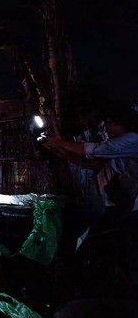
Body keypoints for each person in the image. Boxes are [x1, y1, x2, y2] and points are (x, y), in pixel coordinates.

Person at [43, 103, 138, 306]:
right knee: (107, 250)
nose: (105, 130)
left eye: (108, 125)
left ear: (121, 124)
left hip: (126, 210)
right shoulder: (123, 146)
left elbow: (96, 151)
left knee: (109, 250)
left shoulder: (132, 139)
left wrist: (61, 142)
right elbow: (98, 165)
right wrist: (67, 155)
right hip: (111, 208)